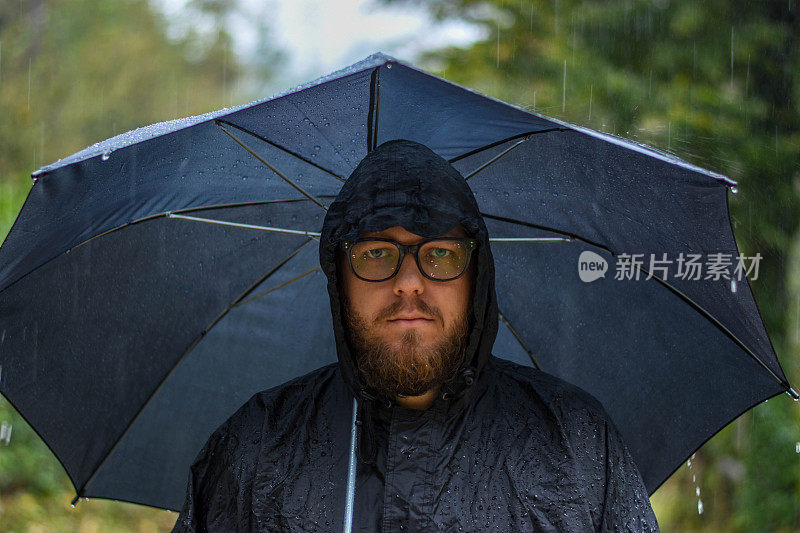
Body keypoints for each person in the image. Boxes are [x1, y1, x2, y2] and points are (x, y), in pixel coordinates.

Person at [172, 139, 659, 532]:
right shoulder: (257, 450)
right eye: (377, 253)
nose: (408, 281)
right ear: (339, 277)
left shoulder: (572, 441)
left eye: (441, 253)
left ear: (477, 278)